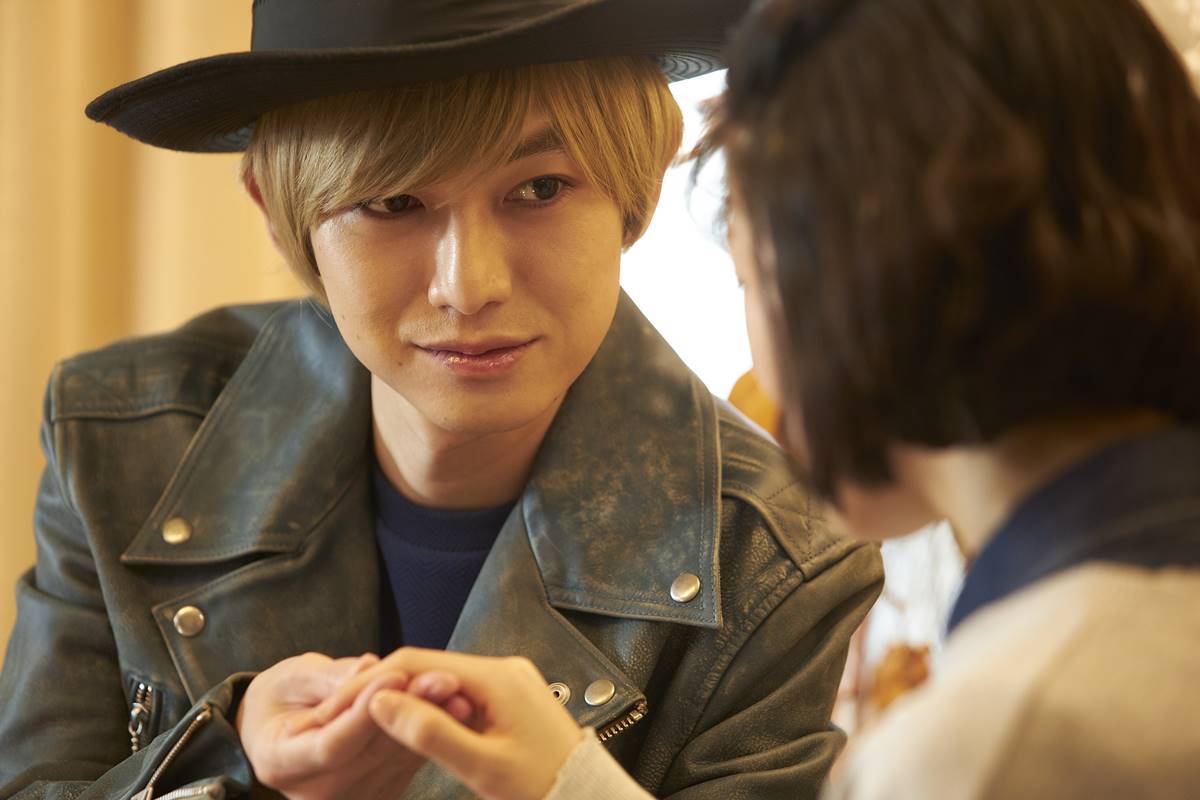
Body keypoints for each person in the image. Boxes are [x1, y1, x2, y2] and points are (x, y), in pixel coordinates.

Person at [314, 0, 1200, 798]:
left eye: (748, 273)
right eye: (395, 199)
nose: (469, 286)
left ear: (857, 280)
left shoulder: (999, 741)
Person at [0, 2, 884, 799]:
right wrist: (232, 757)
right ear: (277, 210)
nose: (470, 285)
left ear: (641, 178)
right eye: (395, 201)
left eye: (540, 188)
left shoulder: (776, 562)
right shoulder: (121, 444)